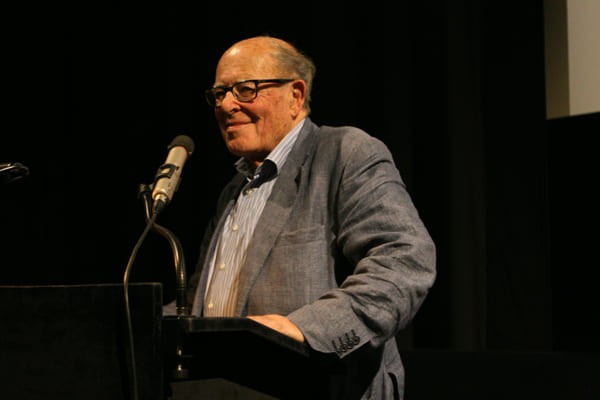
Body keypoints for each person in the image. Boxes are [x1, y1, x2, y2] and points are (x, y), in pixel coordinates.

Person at [173, 35, 436, 400]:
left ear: (295, 96)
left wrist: (306, 330)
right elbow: (199, 300)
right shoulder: (233, 190)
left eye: (245, 90)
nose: (227, 105)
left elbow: (405, 260)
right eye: (219, 94)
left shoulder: (345, 153)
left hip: (324, 385)